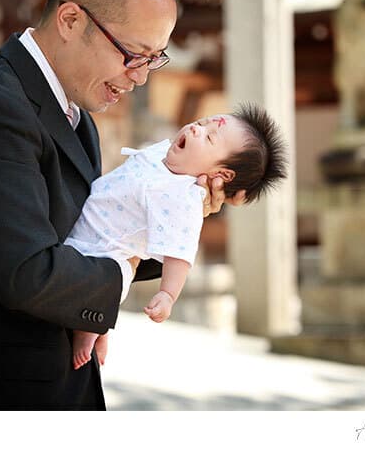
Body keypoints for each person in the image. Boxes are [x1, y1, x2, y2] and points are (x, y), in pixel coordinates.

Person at [0, 0, 242, 410]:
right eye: (133, 54)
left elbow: (88, 237)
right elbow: (28, 273)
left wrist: (176, 221)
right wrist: (126, 270)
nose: (141, 75)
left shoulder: (76, 114)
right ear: (70, 19)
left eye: (155, 58)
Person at [67, 105, 287, 369]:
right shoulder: (164, 154)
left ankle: (89, 331)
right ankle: (98, 327)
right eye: (203, 122)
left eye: (208, 138)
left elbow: (180, 252)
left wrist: (168, 295)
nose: (196, 128)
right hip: (89, 223)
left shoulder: (184, 197)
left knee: (96, 288)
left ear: (221, 175)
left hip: (105, 250)